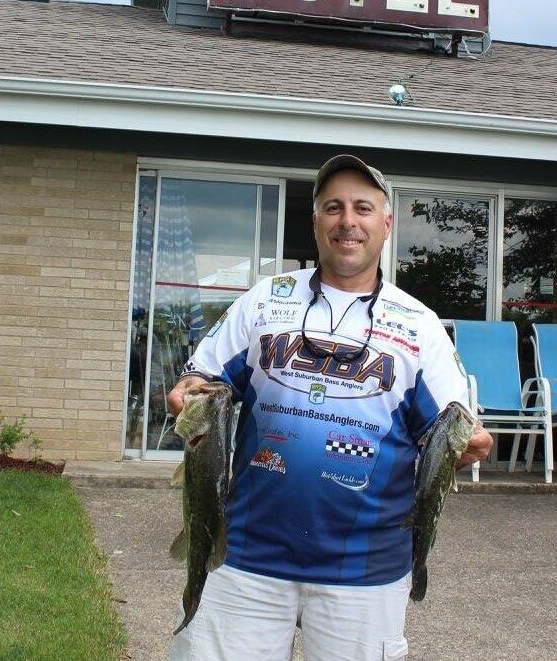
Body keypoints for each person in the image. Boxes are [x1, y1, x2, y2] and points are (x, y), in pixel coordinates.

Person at [167, 154, 493, 661]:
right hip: (245, 554)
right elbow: (203, 379)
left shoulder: (421, 326)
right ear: (316, 221)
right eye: (333, 207)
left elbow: (452, 425)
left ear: (386, 225)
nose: (348, 220)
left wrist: (470, 443)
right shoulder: (263, 301)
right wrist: (188, 390)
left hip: (365, 571)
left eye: (363, 208)